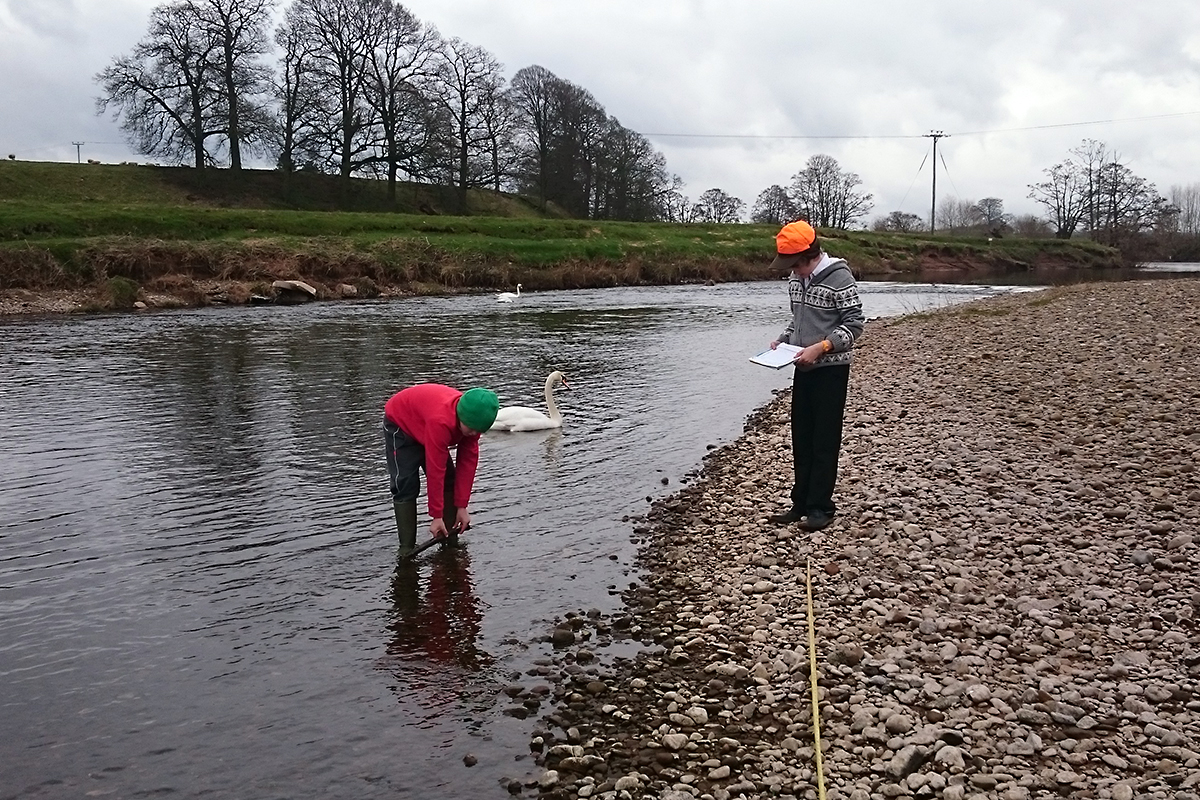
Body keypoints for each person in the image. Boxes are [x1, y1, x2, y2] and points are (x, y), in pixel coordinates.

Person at [766, 220, 864, 531]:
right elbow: (798, 320)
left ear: (810, 257)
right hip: (802, 367)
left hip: (832, 369)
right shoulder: (796, 281)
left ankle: (821, 507)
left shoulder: (840, 278)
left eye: (795, 265)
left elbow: (856, 325)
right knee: (802, 437)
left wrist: (821, 347)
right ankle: (801, 502)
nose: (792, 272)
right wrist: (783, 340)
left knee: (824, 439)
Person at [383, 384, 499, 556]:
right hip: (401, 424)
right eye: (471, 428)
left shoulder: (473, 425)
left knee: (449, 480)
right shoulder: (441, 421)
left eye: (478, 431)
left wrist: (462, 506)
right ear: (461, 416)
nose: (474, 433)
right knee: (405, 483)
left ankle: (449, 536)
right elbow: (435, 469)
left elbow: (467, 464)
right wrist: (436, 516)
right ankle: (406, 547)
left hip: (426, 421)